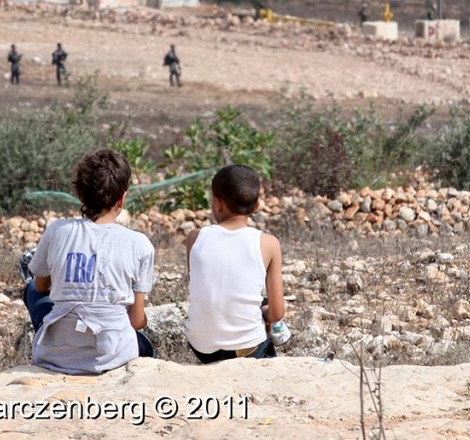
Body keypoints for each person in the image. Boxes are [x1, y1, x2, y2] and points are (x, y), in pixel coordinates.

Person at [20, 148, 156, 374]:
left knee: (32, 288)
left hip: (56, 357)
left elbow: (42, 287)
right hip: (112, 357)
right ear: (122, 197)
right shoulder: (139, 244)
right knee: (143, 344)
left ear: (80, 194)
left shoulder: (57, 231)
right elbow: (136, 320)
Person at [184, 164, 287, 364]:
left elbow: (204, 285)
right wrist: (264, 314)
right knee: (264, 316)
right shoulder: (268, 243)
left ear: (217, 203)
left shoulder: (195, 238)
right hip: (247, 348)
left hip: (202, 348)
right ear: (256, 206)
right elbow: (277, 313)